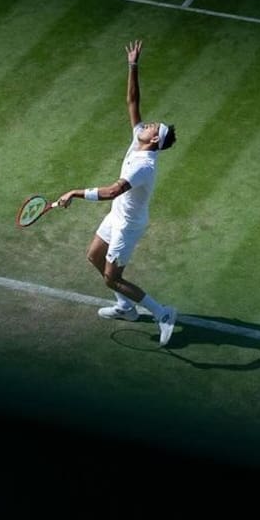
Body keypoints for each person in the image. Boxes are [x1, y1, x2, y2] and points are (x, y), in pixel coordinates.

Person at [57, 39, 179, 346]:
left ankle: (162, 313)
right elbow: (132, 102)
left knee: (112, 277)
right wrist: (133, 65)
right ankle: (126, 308)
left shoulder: (144, 165)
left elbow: (112, 191)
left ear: (153, 142)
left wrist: (74, 192)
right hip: (119, 214)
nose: (150, 123)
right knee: (93, 255)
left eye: (155, 127)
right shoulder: (139, 139)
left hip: (128, 224)